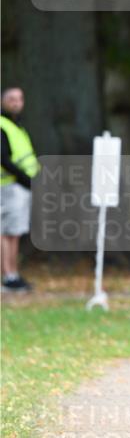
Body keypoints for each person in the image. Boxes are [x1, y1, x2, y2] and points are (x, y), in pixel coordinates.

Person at [1, 87, 40, 292]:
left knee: (14, 232)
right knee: (6, 232)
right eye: (11, 99)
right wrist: (26, 180)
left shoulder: (17, 127)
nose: (16, 103)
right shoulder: (2, 125)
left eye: (19, 99)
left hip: (20, 186)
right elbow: (4, 158)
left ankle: (13, 274)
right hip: (9, 185)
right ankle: (8, 276)